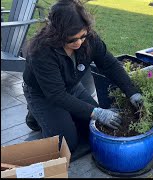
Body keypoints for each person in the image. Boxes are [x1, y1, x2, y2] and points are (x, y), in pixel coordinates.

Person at [22, 0, 143, 152]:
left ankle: (57, 117)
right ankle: (35, 115)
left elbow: (110, 65)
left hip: (72, 86)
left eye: (82, 36)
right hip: (44, 94)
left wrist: (132, 92)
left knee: (94, 129)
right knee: (66, 145)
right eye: (72, 39)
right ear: (56, 34)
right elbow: (57, 95)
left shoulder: (90, 39)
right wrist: (96, 112)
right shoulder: (42, 51)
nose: (79, 42)